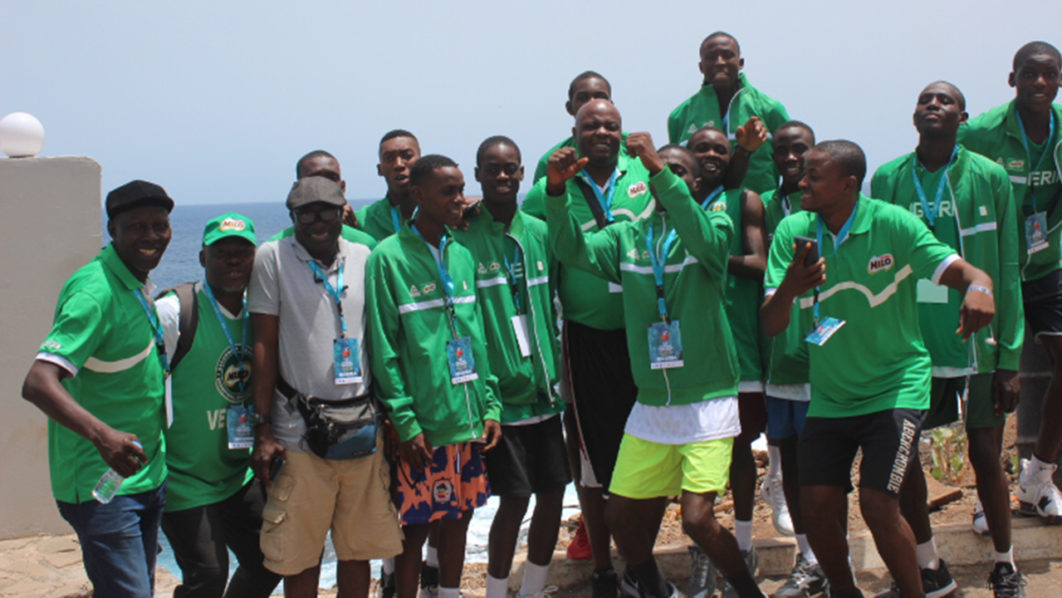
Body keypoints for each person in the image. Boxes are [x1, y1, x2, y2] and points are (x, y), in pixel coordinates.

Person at [762, 140, 997, 598]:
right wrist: (790, 288)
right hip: (831, 395)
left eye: (813, 176)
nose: (802, 182)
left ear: (848, 185)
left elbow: (967, 273)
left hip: (895, 388)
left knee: (877, 503)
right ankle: (843, 591)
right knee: (816, 507)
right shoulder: (794, 231)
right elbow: (771, 325)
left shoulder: (892, 223)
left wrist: (980, 289)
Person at [545, 133, 767, 598]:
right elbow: (570, 249)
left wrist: (659, 169)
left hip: (706, 400)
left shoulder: (713, 225)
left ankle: (749, 592)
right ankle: (653, 586)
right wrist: (557, 192)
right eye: (655, 171)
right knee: (619, 514)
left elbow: (706, 240)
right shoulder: (627, 235)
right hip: (651, 404)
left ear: (695, 184)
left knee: (697, 520)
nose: (661, 177)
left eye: (677, 171)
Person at [873, 81, 1025, 598]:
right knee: (905, 457)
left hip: (979, 343)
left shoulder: (990, 176)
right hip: (912, 343)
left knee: (986, 452)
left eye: (946, 101)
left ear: (963, 118)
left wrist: (1011, 357)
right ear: (914, 115)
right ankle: (928, 564)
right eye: (925, 100)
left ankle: (1005, 564)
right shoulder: (889, 178)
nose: (933, 105)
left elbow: (1007, 266)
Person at [523, 99, 655, 598]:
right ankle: (604, 568)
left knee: (651, 450)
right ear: (573, 131)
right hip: (585, 340)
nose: (602, 132)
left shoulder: (645, 172)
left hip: (648, 337)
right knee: (594, 464)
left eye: (611, 125)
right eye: (591, 125)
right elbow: (523, 240)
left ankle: (640, 565)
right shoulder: (549, 188)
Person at [249, 176, 402, 598]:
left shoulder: (364, 255)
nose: (317, 221)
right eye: (306, 214)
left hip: (362, 428)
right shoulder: (272, 257)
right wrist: (263, 427)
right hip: (298, 433)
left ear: (342, 212)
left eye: (327, 212)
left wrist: (392, 414)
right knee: (301, 556)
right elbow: (263, 343)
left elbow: (381, 338)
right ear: (292, 216)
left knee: (357, 551)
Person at [21, 180, 174, 597]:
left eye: (159, 225)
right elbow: (38, 381)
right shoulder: (95, 291)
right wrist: (103, 436)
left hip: (145, 475)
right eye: (137, 226)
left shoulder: (133, 281)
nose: (151, 236)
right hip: (100, 485)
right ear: (113, 229)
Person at [366, 154, 502, 598]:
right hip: (424, 426)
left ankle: (448, 593)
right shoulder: (387, 258)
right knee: (415, 528)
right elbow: (384, 348)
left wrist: (491, 404)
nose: (460, 199)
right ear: (419, 195)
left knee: (459, 519)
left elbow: (478, 337)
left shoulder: (461, 254)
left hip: (467, 418)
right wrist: (405, 421)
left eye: (461, 189)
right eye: (448, 191)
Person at [453, 136, 570, 598]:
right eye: (492, 169)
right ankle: (497, 591)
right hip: (500, 399)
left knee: (553, 495)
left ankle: (533, 589)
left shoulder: (540, 232)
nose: (502, 176)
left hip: (546, 392)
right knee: (515, 499)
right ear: (478, 175)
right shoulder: (463, 238)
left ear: (523, 174)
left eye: (510, 168)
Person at [959, 41, 1062, 525]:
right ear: (1011, 79)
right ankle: (989, 493)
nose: (1039, 83)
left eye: (1049, 74)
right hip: (994, 268)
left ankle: (1038, 477)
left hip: (1047, 265)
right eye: (1028, 74)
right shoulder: (981, 132)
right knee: (993, 377)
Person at [157, 213, 281, 598]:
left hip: (237, 472)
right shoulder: (175, 312)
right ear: (202, 257)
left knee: (272, 558)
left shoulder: (260, 314)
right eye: (222, 253)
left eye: (242, 253)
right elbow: (143, 390)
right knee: (208, 577)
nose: (233, 261)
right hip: (184, 476)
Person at [683, 125, 771, 598]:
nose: (712, 155)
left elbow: (760, 264)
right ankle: (704, 549)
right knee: (693, 458)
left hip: (737, 347)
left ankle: (744, 543)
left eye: (721, 148)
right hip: (683, 355)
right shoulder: (674, 202)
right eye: (703, 148)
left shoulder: (744, 200)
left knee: (738, 450)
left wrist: (712, 255)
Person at [759, 121, 827, 598]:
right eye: (780, 150)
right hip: (781, 355)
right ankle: (809, 558)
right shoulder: (768, 209)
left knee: (827, 473)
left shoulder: (840, 210)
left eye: (798, 149)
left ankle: (834, 561)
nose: (789, 157)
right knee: (795, 463)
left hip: (829, 365)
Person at [667, 31, 790, 194]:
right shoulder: (680, 116)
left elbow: (792, 162)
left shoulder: (769, 109)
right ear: (701, 67)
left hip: (760, 205)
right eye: (711, 57)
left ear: (740, 63)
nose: (719, 62)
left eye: (727, 55)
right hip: (701, 208)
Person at [532, 71, 629, 184]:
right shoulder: (552, 162)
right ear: (569, 108)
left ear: (610, 105)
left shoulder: (635, 149)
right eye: (583, 98)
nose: (592, 102)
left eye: (600, 97)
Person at [271, 150, 364, 242]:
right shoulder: (276, 248)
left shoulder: (363, 244)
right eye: (314, 178)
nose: (323, 184)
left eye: (332, 178)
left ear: (343, 187)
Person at [357, 129, 423, 241]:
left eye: (407, 156)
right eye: (389, 158)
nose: (398, 164)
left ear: (421, 163)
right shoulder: (363, 220)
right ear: (380, 170)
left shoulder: (442, 214)